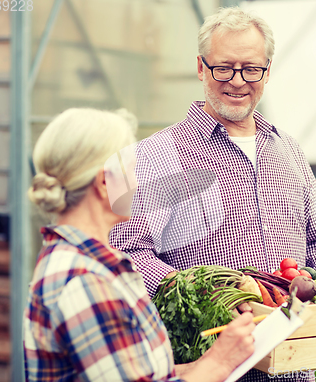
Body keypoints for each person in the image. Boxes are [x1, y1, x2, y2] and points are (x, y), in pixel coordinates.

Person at [109, 7, 316, 382]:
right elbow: (127, 254)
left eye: (251, 68)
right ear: (200, 67)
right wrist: (211, 294)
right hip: (210, 368)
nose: (238, 81)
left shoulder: (288, 149)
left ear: (267, 70)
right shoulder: (152, 156)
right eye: (224, 68)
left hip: (294, 368)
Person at [23, 108, 256, 382]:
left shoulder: (87, 262)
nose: (139, 182)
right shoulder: (86, 281)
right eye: (133, 170)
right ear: (103, 182)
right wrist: (219, 362)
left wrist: (199, 365)